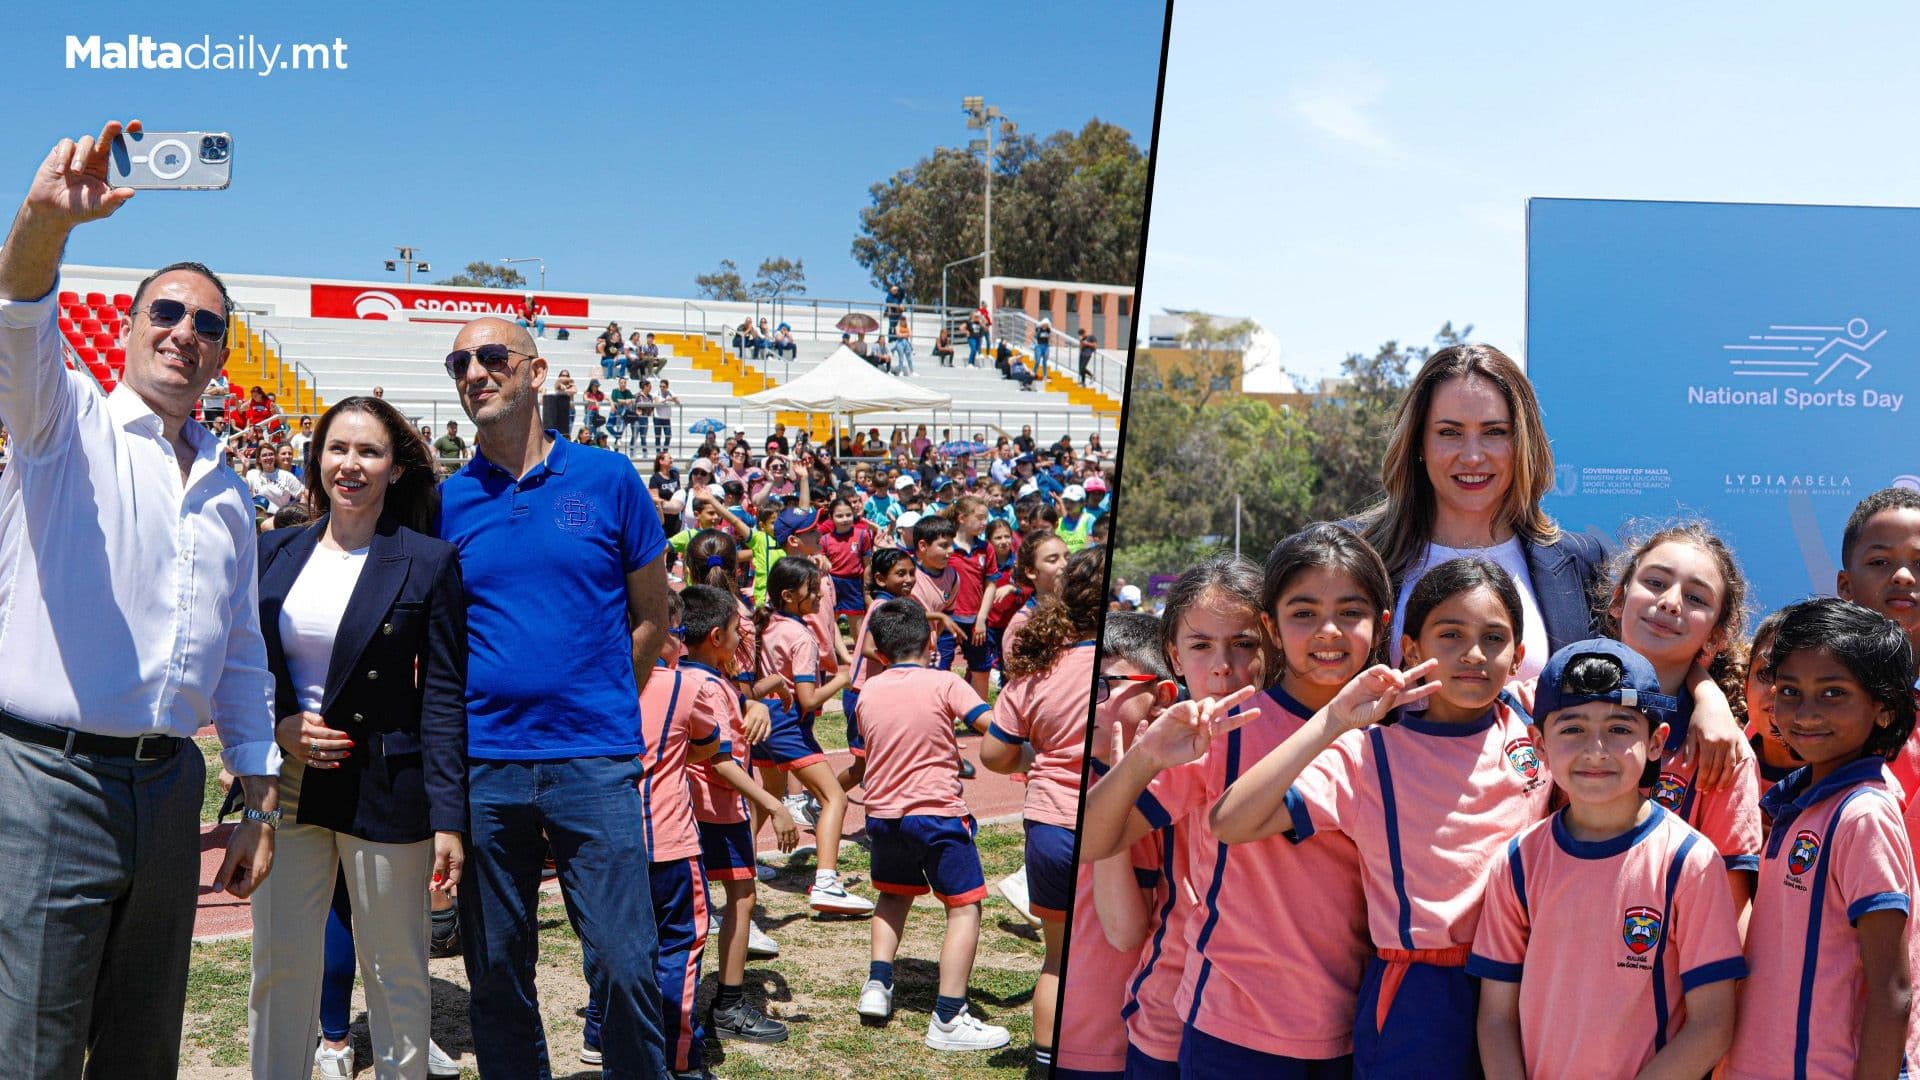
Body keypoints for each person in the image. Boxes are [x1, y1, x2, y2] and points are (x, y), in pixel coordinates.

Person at [0, 118, 279, 1076]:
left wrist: (257, 792)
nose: (184, 333)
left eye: (208, 325)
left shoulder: (230, 489)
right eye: (166, 312)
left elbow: (240, 649)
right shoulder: (61, 418)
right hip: (48, 782)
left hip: (170, 790)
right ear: (125, 329)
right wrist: (45, 222)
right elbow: (19, 309)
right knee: (32, 1047)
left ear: (221, 354)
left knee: (141, 1048)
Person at [1209, 556, 1554, 1078]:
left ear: (1519, 655)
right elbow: (1231, 822)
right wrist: (1332, 721)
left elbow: (1648, 670)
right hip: (1422, 992)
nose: (1473, 654)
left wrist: (1706, 694)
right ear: (1412, 648)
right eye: (1451, 634)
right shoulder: (1368, 755)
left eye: (1494, 638)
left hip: (1528, 981)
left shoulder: (1537, 723)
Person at [439, 316, 672, 1078]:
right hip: (486, 767)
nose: (475, 371)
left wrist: (603, 703)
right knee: (497, 969)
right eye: (459, 362)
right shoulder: (446, 504)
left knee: (625, 962)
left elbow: (652, 616)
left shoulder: (608, 479)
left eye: (492, 357)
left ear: (536, 372)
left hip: (594, 761)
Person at [1077, 544, 1368, 1074]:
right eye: (1201, 646)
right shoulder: (1195, 743)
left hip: (1338, 1021)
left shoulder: (1369, 727)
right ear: (1172, 654)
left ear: (1271, 638)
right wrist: (1143, 759)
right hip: (1203, 1018)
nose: (1223, 667)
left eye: (1243, 644)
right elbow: (1098, 848)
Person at [248, 395, 468, 1080]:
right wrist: (275, 725)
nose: (350, 464)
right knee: (278, 968)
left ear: (395, 468)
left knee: (397, 969)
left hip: (387, 785)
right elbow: (245, 666)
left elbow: (442, 695)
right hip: (289, 784)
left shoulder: (428, 560)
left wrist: (449, 817)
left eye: (368, 451)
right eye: (337, 448)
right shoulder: (272, 551)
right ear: (317, 458)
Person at [1470, 638, 1743, 1078]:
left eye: (1619, 729)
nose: (1596, 750)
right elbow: (1497, 1017)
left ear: (1656, 742)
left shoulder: (1689, 862)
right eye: (1573, 728)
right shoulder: (1518, 862)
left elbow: (1712, 1025)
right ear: (1538, 743)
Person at [1724, 597, 1916, 1078]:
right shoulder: (1801, 805)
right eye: (1789, 690)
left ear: (1885, 710)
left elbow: (1893, 989)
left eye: (1833, 693)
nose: (1805, 711)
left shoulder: (1863, 813)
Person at [854, 598, 1010, 1051]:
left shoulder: (870, 690)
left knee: (892, 896)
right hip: (937, 814)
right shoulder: (947, 683)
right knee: (964, 907)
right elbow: (992, 728)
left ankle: (878, 985)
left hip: (882, 815)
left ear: (880, 654)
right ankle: (948, 1015)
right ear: (931, 641)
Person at [982, 547, 1106, 1075]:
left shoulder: (1039, 672)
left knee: (1057, 959)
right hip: (1113, 826)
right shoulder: (1135, 669)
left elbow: (994, 753)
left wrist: (1037, 753)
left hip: (1050, 824)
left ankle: (1045, 1060)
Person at [1598, 524, 1762, 912]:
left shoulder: (1723, 753)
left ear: (1716, 635)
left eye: (1695, 598)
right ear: (1618, 599)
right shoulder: (1549, 703)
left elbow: (1730, 903)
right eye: (1655, 582)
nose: (1671, 602)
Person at [1055, 611, 1179, 1078]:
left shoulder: (1154, 800)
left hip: (1107, 1044)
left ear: (1161, 697)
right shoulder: (1073, 772)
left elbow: (1125, 932)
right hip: (1067, 1035)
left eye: (1104, 686)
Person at [677, 584, 797, 1046]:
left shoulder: (676, 675)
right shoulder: (712, 686)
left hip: (682, 806)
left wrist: (754, 701)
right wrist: (772, 802)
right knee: (741, 897)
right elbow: (721, 760)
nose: (738, 636)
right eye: (733, 629)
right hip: (718, 811)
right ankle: (727, 1002)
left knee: (681, 906)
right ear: (714, 636)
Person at [750, 555, 873, 914]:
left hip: (762, 721)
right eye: (813, 591)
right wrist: (841, 678)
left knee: (767, 794)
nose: (820, 597)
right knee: (835, 798)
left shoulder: (765, 624)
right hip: (788, 725)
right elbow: (808, 698)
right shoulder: (799, 635)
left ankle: (742, 862)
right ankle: (826, 883)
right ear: (789, 595)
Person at [654, 378, 678, 452]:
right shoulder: (657, 392)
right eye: (660, 386)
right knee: (658, 436)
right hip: (657, 417)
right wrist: (666, 400)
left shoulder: (670, 393)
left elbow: (678, 402)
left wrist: (673, 399)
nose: (662, 388)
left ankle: (665, 451)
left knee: (668, 435)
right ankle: (658, 452)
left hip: (666, 418)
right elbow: (657, 403)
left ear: (667, 387)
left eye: (663, 386)